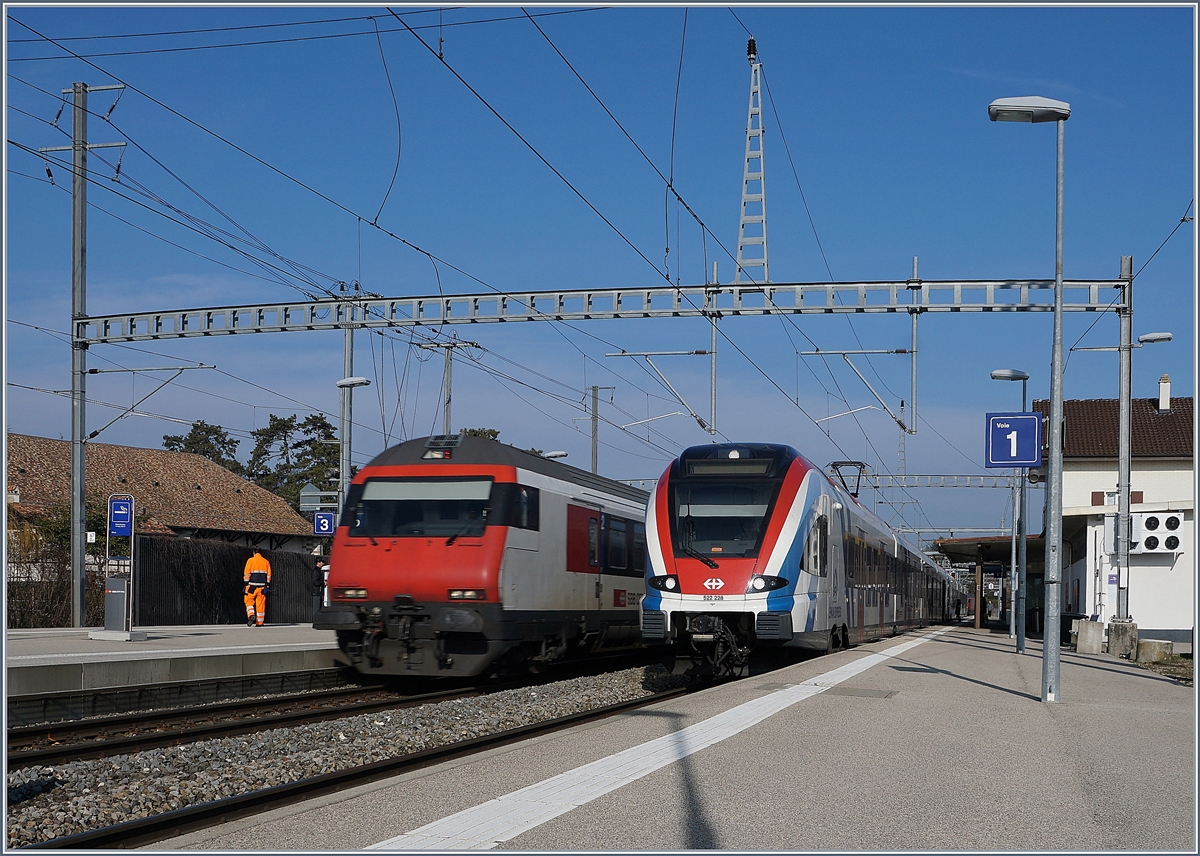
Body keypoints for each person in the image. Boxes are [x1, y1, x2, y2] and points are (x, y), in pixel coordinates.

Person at [243, 550, 272, 627]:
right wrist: (267, 584)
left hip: (252, 586)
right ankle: (260, 623)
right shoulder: (266, 562)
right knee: (261, 604)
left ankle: (251, 615)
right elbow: (269, 575)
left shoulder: (250, 561)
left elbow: (247, 573)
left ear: (253, 553)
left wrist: (246, 584)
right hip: (262, 587)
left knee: (248, 601)